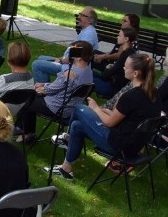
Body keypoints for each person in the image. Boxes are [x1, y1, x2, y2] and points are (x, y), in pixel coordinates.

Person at [47, 53, 161, 181]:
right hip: (134, 146)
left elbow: (109, 123)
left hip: (118, 146)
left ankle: (66, 139)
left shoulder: (131, 96)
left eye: (126, 66)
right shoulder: (154, 92)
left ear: (135, 74)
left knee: (79, 108)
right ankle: (66, 169)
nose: (123, 68)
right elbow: (133, 119)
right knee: (77, 126)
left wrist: (95, 108)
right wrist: (108, 112)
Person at [16, 40, 94, 144]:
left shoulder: (71, 73)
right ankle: (26, 132)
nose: (69, 53)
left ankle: (25, 133)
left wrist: (42, 88)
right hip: (71, 108)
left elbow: (53, 89)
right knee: (31, 98)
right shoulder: (88, 72)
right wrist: (44, 85)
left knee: (25, 99)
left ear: (79, 57)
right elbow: (59, 87)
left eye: (72, 51)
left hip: (57, 108)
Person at [31, 7, 99, 83]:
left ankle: (42, 92)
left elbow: (76, 58)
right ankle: (45, 86)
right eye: (79, 14)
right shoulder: (86, 31)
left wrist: (60, 61)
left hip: (72, 68)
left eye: (82, 15)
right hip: (69, 63)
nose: (79, 17)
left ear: (90, 20)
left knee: (37, 65)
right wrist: (61, 58)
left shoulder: (89, 35)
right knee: (41, 58)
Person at [92, 27, 137, 98]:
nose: (117, 37)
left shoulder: (126, 55)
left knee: (85, 78)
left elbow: (109, 73)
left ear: (126, 39)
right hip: (111, 81)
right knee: (87, 73)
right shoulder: (128, 52)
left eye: (119, 36)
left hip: (113, 87)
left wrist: (108, 68)